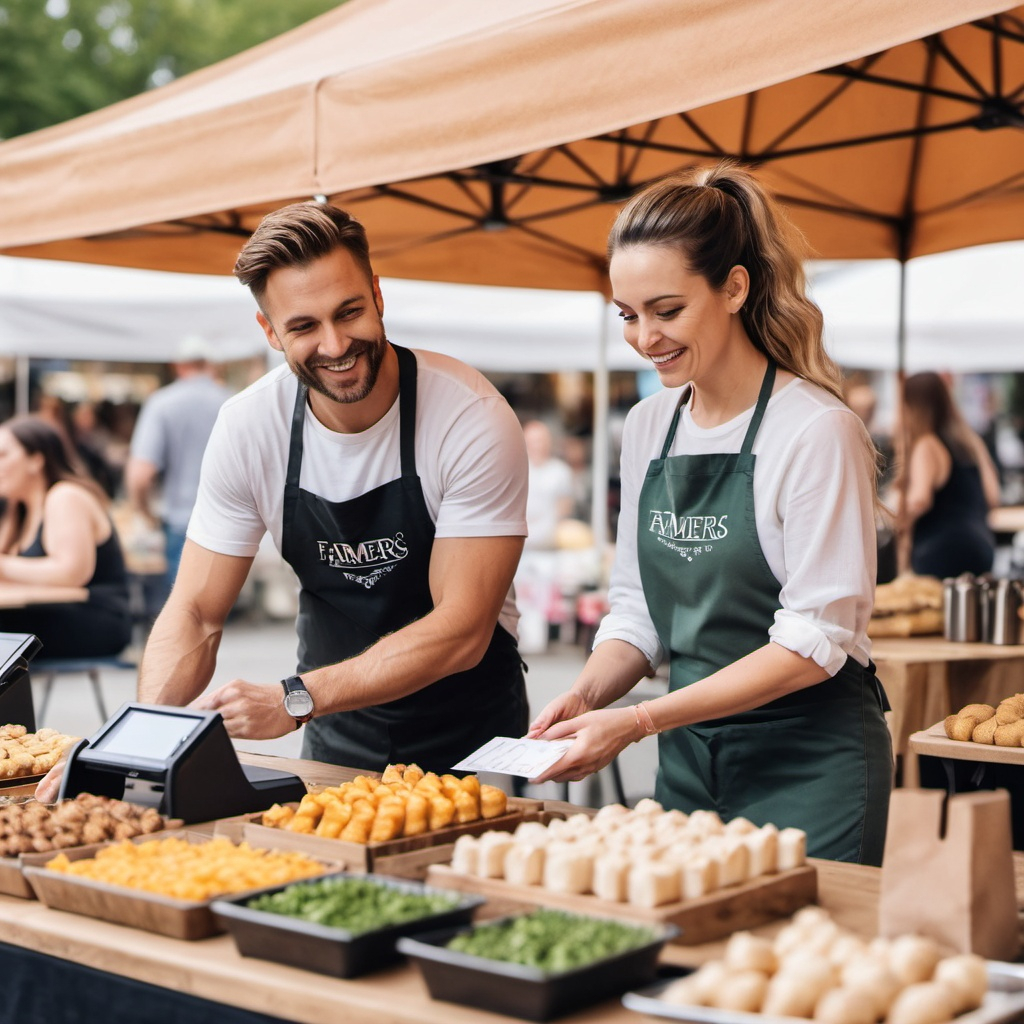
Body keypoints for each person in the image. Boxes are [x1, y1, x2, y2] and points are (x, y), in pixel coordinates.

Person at [528, 163, 893, 865]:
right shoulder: (647, 427)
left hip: (809, 762)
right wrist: (585, 696)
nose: (644, 338)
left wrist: (636, 720)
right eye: (628, 316)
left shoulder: (817, 430)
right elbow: (636, 611)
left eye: (667, 311)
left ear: (733, 287)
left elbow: (814, 641)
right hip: (689, 757)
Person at [122, 201, 528, 776]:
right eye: (304, 326)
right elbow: (194, 611)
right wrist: (137, 740)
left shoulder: (470, 416)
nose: (336, 345)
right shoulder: (248, 427)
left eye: (349, 312)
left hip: (471, 725)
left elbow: (461, 628)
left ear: (378, 295)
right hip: (335, 718)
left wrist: (293, 699)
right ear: (269, 332)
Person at [0, 415, 131, 658]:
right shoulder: (17, 511)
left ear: (35, 460)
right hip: (49, 616)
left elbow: (71, 573)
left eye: (3, 455)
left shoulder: (65, 496)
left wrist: (4, 565)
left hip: (94, 619)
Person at [125, 335, 232, 600]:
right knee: (216, 610)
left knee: (184, 610)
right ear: (210, 365)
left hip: (181, 520)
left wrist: (145, 513)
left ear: (179, 366)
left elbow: (140, 474)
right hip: (230, 519)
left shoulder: (162, 403)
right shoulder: (232, 402)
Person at [896, 371, 1001, 579]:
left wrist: (895, 519)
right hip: (981, 547)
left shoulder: (927, 444)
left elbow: (919, 500)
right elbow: (993, 496)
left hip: (939, 551)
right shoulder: (971, 443)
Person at [522, 420, 575, 551]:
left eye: (539, 440)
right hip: (521, 545)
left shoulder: (561, 471)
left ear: (548, 442)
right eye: (532, 441)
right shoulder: (516, 471)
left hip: (550, 546)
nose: (536, 446)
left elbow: (565, 509)